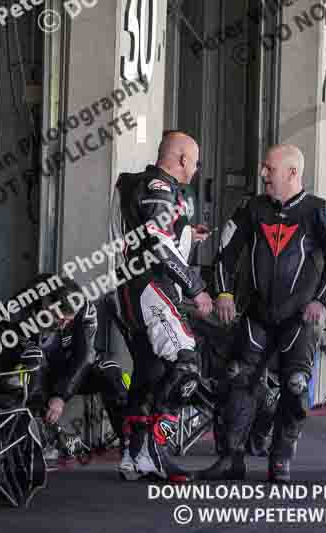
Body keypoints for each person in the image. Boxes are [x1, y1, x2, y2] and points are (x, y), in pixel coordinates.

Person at [203, 144, 326, 482]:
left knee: (295, 384)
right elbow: (224, 254)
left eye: (269, 168)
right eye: (263, 168)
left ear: (292, 173)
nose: (263, 174)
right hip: (255, 316)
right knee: (238, 379)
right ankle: (231, 458)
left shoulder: (323, 213)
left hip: (300, 319)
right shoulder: (250, 208)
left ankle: (280, 457)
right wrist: (223, 293)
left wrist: (321, 301)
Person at [111, 131, 214, 481]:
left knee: (149, 371)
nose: (197, 169)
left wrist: (186, 233)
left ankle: (133, 456)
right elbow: (157, 246)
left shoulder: (135, 184)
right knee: (186, 364)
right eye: (195, 162)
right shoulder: (158, 186)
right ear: (182, 158)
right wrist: (196, 288)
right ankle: (158, 451)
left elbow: (152, 235)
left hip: (127, 291)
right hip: (149, 289)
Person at [22, 276, 128, 452]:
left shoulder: (85, 310)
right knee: (33, 358)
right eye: (59, 318)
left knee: (110, 370)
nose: (63, 325)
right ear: (47, 302)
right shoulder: (22, 309)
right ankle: (39, 440)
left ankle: (130, 444)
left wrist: (61, 395)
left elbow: (85, 356)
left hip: (70, 374)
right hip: (37, 376)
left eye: (68, 320)